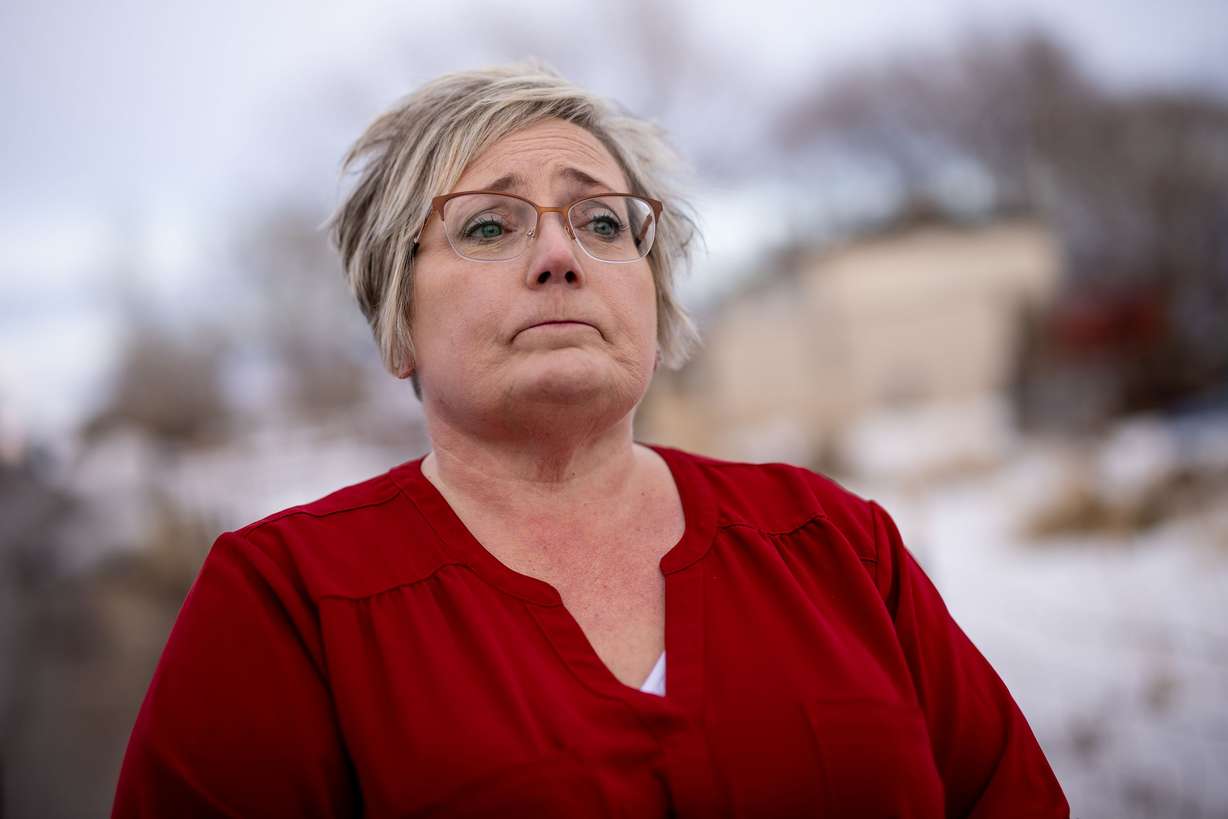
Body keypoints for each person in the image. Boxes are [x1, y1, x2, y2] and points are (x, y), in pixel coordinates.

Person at [111, 62, 1069, 818]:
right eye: (489, 226)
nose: (560, 254)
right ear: (397, 323)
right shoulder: (287, 603)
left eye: (604, 221)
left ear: (652, 296)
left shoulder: (835, 543)